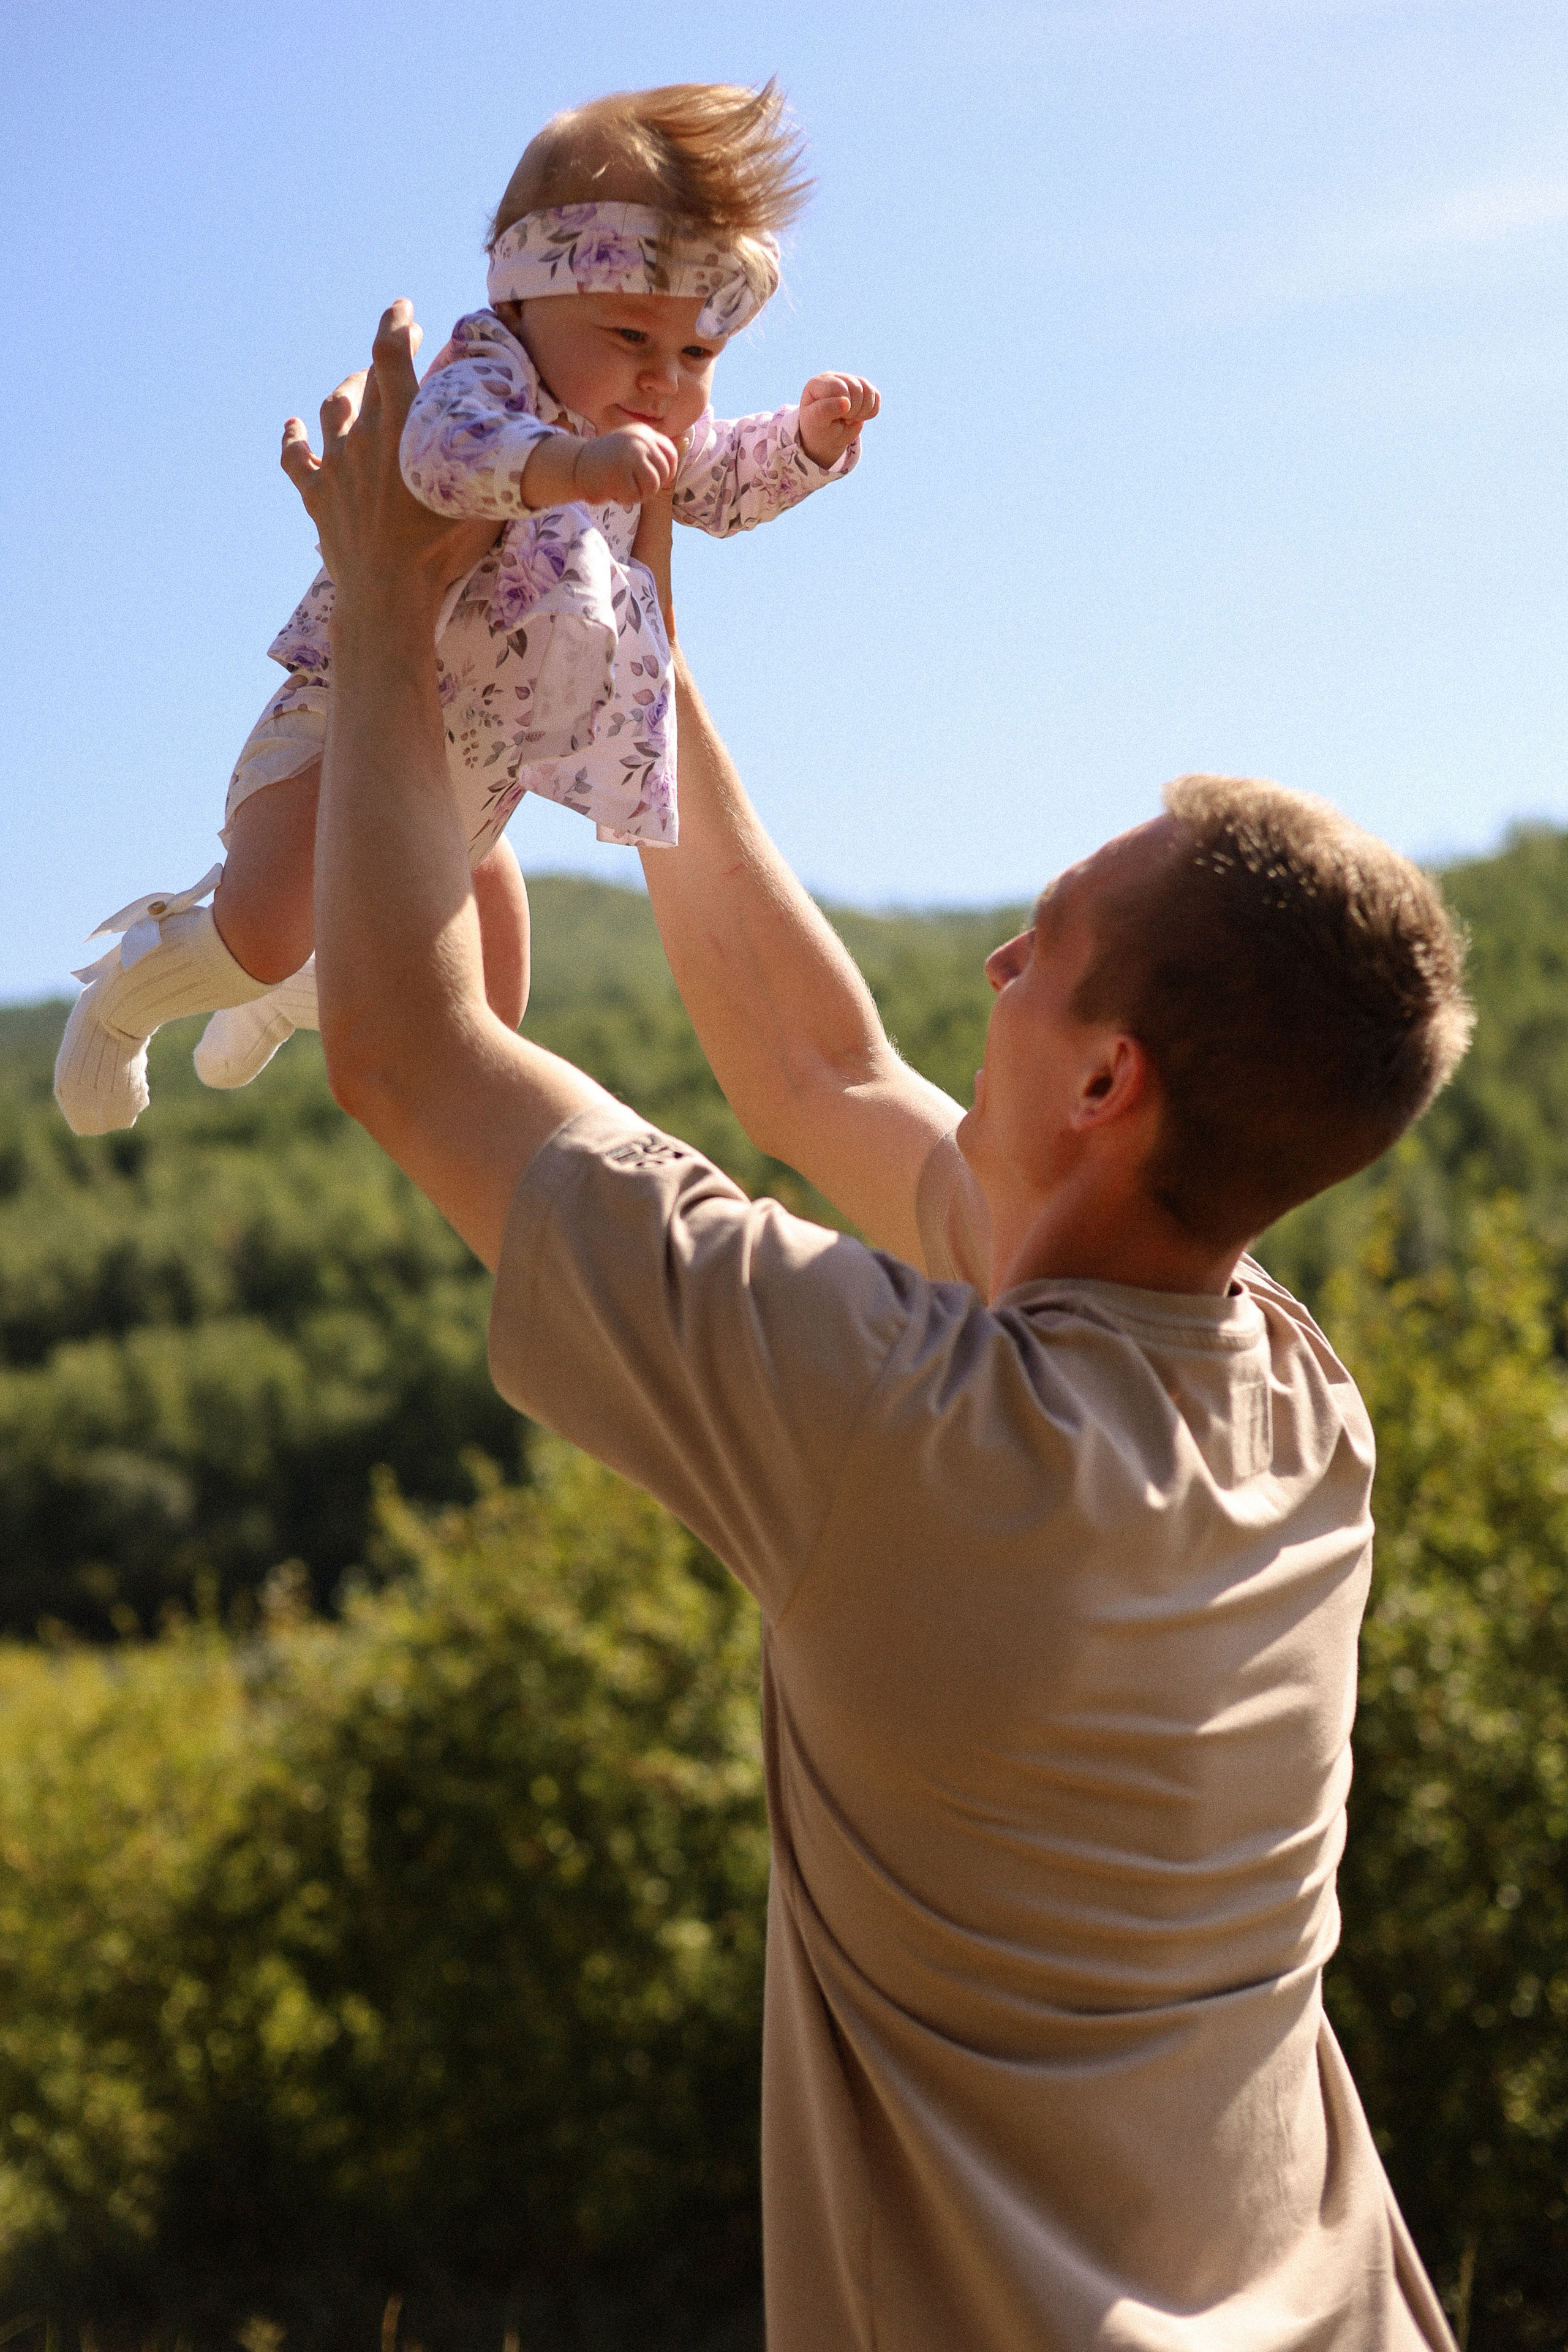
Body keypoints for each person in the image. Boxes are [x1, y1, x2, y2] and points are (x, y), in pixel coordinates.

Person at [290, 305, 1471, 2350]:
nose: (993, 959)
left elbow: (403, 1043)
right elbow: (815, 1064)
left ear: (1109, 1086)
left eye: (1041, 948)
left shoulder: (900, 1429)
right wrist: (634, 621)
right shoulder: (1293, 1405)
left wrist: (382, 610)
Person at [52, 80, 876, 1137]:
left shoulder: (637, 427)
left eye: (699, 355)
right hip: (343, 728)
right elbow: (442, 455)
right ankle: (119, 1008)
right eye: (630, 335)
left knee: (484, 1005)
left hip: (477, 789)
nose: (665, 380)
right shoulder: (494, 376)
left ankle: (287, 1003)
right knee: (263, 922)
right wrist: (573, 463)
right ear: (526, 301)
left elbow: (716, 483)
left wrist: (808, 443)